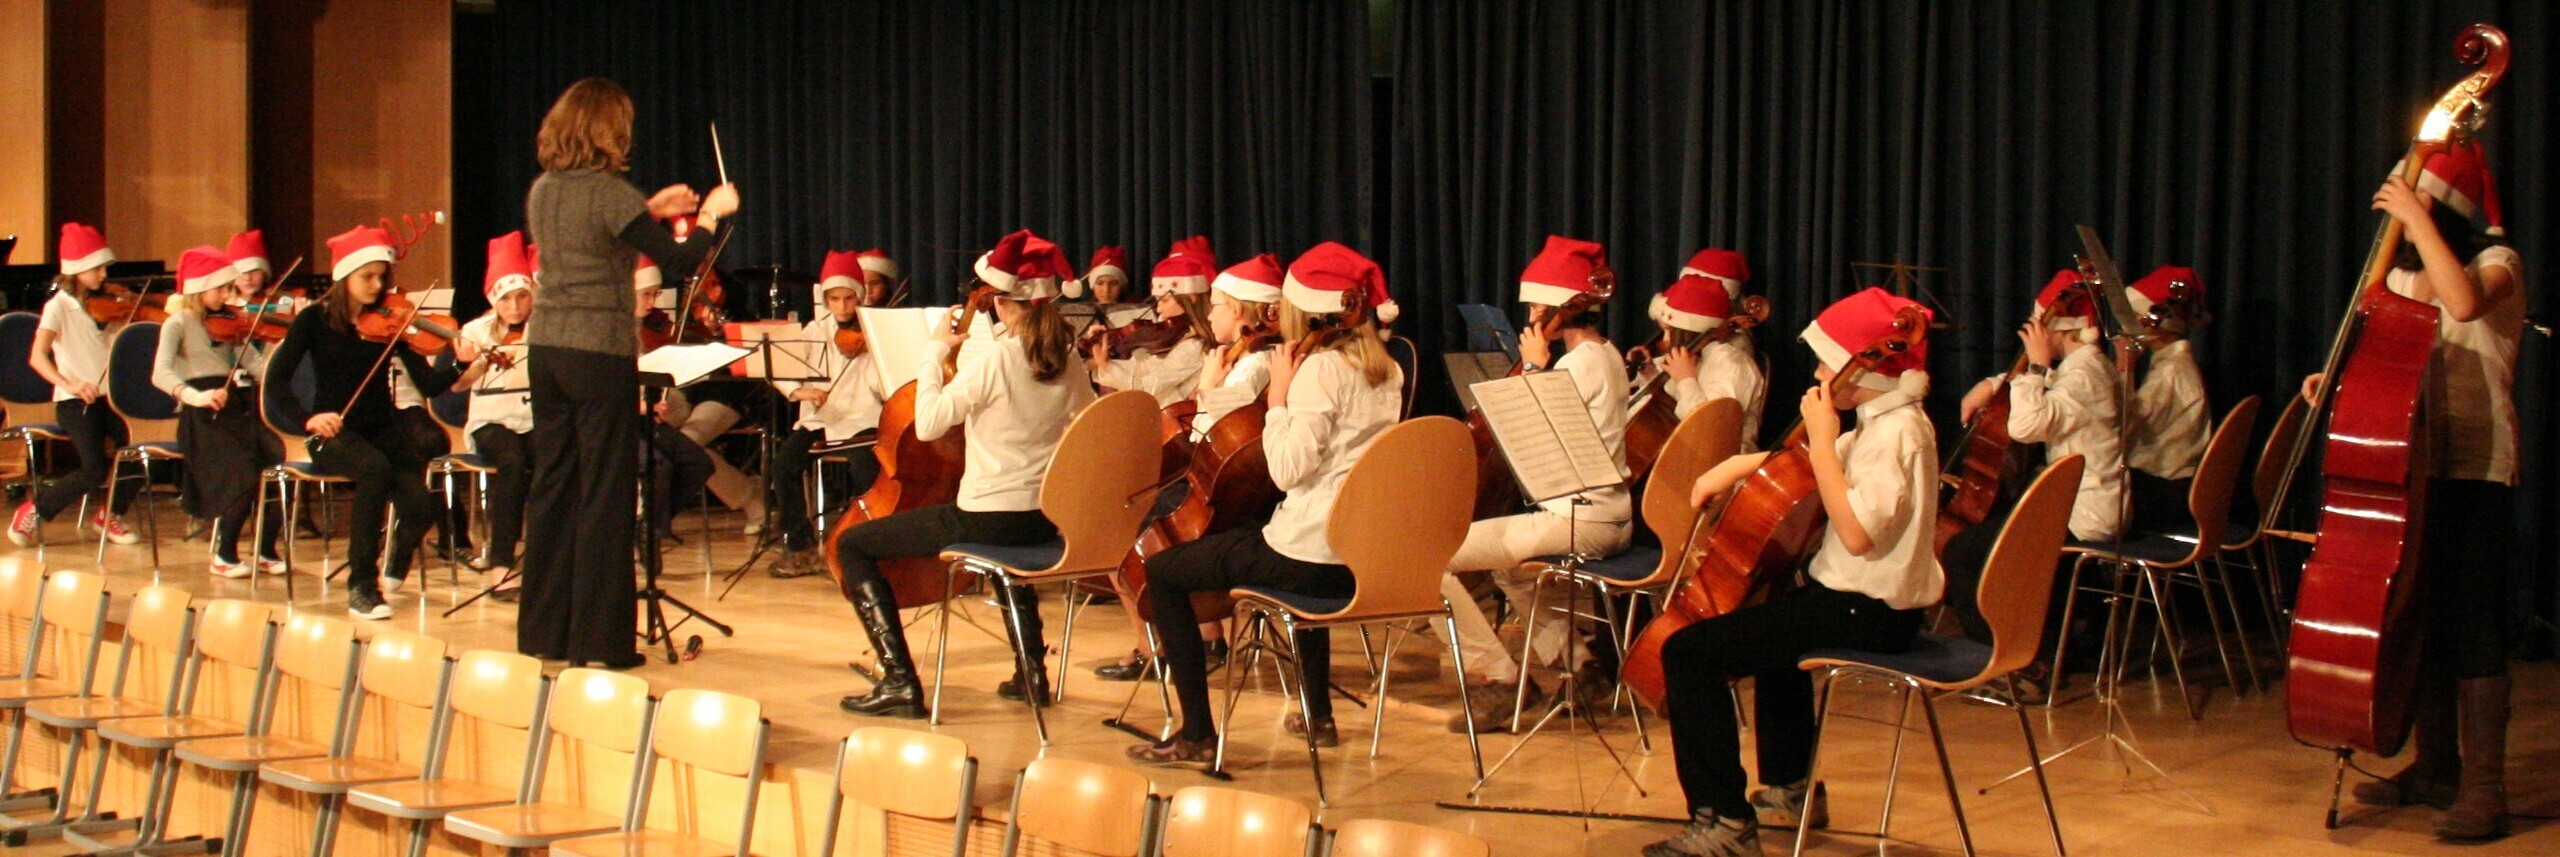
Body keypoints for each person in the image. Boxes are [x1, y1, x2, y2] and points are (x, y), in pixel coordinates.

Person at [1646, 287, 1938, 857]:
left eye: (1828, 363)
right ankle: (1791, 789)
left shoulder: (1899, 431)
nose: (1821, 374)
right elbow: (1813, 466)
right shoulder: (1884, 419)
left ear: (1865, 369)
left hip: (1870, 612)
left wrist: (1823, 440)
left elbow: (1856, 532)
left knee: (1688, 653)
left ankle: (1724, 822)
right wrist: (1736, 465)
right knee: (1775, 632)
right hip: (1855, 604)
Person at [1127, 241, 1404, 762]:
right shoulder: (1387, 368)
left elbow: (1287, 470)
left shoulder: (1321, 369)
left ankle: (1196, 735)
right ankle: (1317, 715)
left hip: (1309, 558)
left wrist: (1277, 401)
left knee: (1164, 572)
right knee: (1275, 544)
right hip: (1355, 554)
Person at [2319, 142, 2523, 841]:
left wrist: (2416, 215)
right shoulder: (2402, 279)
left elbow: (2462, 304)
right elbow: (2386, 363)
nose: (2401, 219)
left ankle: (2486, 787)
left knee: (2472, 621)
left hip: (2476, 465)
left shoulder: (2499, 264)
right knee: (2422, 616)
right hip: (2412, 468)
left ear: (2446, 211)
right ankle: (2436, 765)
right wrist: (2337, 380)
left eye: (2418, 201)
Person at [520, 77, 737, 667]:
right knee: (605, 491)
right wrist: (711, 215)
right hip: (598, 352)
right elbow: (683, 260)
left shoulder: (544, 189)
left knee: (555, 487)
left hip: (547, 350)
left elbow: (591, 234)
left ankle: (545, 633)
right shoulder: (609, 194)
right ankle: (601, 641)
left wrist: (652, 210)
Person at [834, 229, 1095, 718]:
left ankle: (899, 681)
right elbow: (1085, 422)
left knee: (852, 544)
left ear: (1001, 302)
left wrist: (934, 354)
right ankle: (1031, 673)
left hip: (989, 517)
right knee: (1005, 554)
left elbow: (930, 423)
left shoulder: (997, 357)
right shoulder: (1068, 356)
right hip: (1042, 516)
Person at [1438, 235, 1634, 732]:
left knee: (1426, 560)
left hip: (1582, 518)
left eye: (1534, 307)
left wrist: (1532, 369)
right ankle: (1581, 663)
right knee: (1511, 573)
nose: (1529, 316)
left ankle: (1502, 677)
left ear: (1558, 308)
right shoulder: (1607, 354)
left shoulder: (1575, 365)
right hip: (1606, 514)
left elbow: (1533, 437)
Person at [1092, 252, 1286, 682]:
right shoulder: (1255, 359)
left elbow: (1206, 437)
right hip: (1235, 494)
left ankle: (1155, 646)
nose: (1209, 314)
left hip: (1228, 496)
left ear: (1239, 312)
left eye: (1215, 306)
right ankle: (1206, 634)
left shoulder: (1251, 367)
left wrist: (1207, 387)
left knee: (1118, 535)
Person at [265, 225, 460, 620]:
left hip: (382, 428)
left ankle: (396, 559)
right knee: (374, 470)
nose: (377, 285)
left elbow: (428, 384)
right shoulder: (315, 320)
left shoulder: (390, 321)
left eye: (381, 277)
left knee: (421, 504)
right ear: (344, 277)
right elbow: (277, 382)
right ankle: (362, 585)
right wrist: (308, 419)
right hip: (333, 432)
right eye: (367, 276)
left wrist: (463, 363)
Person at [1942, 269, 2126, 686]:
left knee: (1964, 551)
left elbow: (2025, 425)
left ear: (2058, 328)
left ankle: (2010, 659)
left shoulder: (2084, 375)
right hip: (2084, 505)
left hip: (2084, 515)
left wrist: (2037, 365)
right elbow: (2052, 388)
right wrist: (1994, 383)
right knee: (1995, 529)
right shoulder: (2087, 366)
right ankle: (2044, 644)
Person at [152, 246, 284, 578]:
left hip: (233, 406)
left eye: (229, 288)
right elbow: (160, 373)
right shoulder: (177, 324)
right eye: (221, 288)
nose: (228, 295)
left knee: (277, 459)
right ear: (199, 288)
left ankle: (266, 549)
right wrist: (195, 396)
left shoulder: (229, 321)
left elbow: (254, 363)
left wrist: (279, 371)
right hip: (201, 415)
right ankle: (225, 555)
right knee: (242, 472)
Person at [9, 223, 143, 548]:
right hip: (76, 401)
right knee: (94, 470)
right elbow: (37, 357)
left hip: (113, 399)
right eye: (96, 268)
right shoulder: (58, 306)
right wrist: (69, 384)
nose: (103, 274)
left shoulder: (111, 302)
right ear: (77, 269)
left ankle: (110, 514)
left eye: (104, 267)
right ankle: (35, 508)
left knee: (140, 452)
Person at [767, 250, 887, 577]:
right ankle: (800, 547)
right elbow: (781, 366)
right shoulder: (813, 331)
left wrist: (874, 356)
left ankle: (869, 550)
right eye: (834, 299)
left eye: (849, 298)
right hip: (822, 418)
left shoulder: (874, 331)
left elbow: (883, 387)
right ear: (826, 300)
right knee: (783, 467)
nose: (842, 307)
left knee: (865, 471)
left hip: (863, 418)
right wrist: (799, 391)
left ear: (860, 296)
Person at [449, 232, 538, 599]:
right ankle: (501, 564)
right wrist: (476, 363)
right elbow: (456, 387)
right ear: (493, 299)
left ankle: (550, 557)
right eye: (505, 299)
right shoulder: (474, 332)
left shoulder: (545, 327)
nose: (514, 307)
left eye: (522, 296)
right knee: (512, 462)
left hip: (533, 419)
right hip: (491, 422)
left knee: (560, 458)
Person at [2122, 265, 2211, 534]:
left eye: (2135, 316)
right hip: (2174, 488)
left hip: (2164, 491)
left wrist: (2124, 367)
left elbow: (2124, 425)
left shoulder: (2171, 372)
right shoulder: (2173, 364)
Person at [1088, 237, 1216, 406]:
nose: (1158, 309)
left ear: (1191, 298)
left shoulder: (1195, 345)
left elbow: (1149, 387)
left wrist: (1107, 367)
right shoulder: (1179, 337)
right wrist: (1103, 362)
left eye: (1164, 300)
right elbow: (1143, 367)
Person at [1651, 270, 1767, 452]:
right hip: (1686, 459)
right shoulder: (1694, 357)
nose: (1664, 340)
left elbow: (1713, 432)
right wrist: (1648, 373)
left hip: (1723, 464)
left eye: (1670, 332)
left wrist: (1686, 380)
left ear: (1686, 332)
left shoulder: (1732, 364)